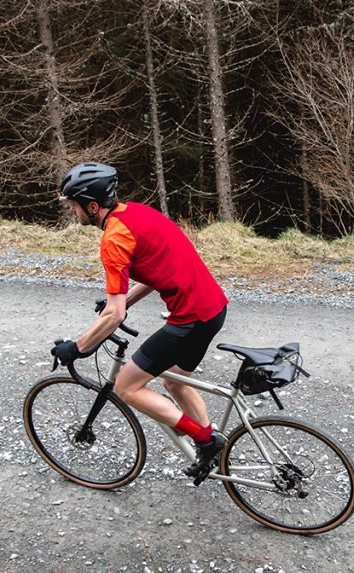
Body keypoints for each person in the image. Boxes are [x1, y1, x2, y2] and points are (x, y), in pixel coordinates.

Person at [50, 162, 229, 484]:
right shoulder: (136, 213)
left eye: (75, 205)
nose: (73, 212)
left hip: (189, 319)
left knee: (127, 386)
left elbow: (114, 315)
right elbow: (156, 270)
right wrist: (122, 301)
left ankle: (204, 439)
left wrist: (76, 348)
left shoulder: (114, 240)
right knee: (175, 382)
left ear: (92, 206)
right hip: (214, 308)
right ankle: (211, 446)